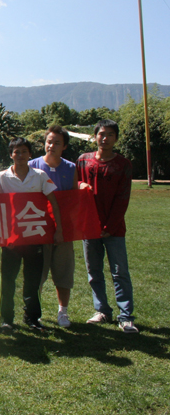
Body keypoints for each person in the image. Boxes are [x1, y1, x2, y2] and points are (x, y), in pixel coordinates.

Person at [0, 138, 64, 332]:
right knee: (8, 279)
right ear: (11, 155)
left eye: (24, 151)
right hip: (11, 239)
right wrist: (2, 235)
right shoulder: (2, 177)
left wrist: (58, 229)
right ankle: (6, 318)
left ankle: (32, 318)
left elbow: (53, 202)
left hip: (34, 236)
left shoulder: (40, 176)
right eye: (16, 152)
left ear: (30, 154)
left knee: (33, 280)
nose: (20, 155)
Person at [78, 119, 137, 334]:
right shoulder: (83, 161)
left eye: (110, 134)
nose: (105, 138)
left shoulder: (123, 164)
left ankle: (126, 316)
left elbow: (123, 198)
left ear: (116, 138)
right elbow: (74, 185)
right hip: (89, 227)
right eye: (101, 134)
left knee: (120, 272)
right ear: (95, 136)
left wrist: (109, 226)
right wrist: (80, 184)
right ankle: (102, 310)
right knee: (94, 272)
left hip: (114, 229)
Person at [29, 125, 78, 328]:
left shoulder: (71, 168)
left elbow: (73, 197)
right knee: (37, 274)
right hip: (38, 228)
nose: (52, 146)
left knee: (63, 273)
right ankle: (35, 312)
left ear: (64, 146)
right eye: (49, 142)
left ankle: (63, 312)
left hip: (63, 229)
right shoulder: (32, 165)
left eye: (57, 143)